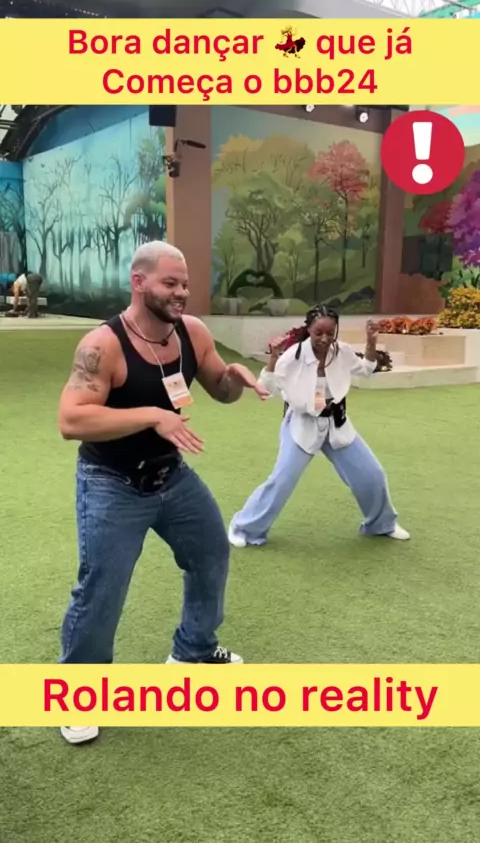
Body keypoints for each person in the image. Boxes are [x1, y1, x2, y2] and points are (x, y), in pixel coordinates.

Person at [57, 240, 268, 745]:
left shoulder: (192, 332)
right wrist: (153, 416)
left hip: (170, 476)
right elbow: (72, 420)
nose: (181, 293)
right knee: (102, 589)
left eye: (185, 284)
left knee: (211, 554)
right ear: (139, 282)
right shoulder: (103, 345)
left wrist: (235, 379)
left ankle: (193, 651)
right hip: (111, 482)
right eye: (170, 283)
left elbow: (219, 388)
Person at [228, 305, 410, 550]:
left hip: (336, 423)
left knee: (372, 474)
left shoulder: (342, 351)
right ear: (308, 330)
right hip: (302, 425)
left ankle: (381, 524)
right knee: (281, 481)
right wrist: (273, 359)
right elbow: (266, 389)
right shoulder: (292, 356)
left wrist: (371, 340)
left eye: (330, 333)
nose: (324, 338)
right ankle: (244, 528)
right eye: (318, 333)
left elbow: (366, 369)